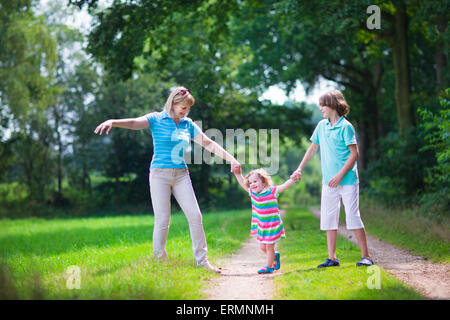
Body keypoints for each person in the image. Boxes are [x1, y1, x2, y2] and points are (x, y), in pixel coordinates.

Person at [94, 86, 240, 273]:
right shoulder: (156, 118)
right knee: (163, 219)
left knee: (195, 216)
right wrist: (113, 121)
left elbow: (208, 143)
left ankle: (202, 262)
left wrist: (232, 159)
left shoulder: (187, 124)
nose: (185, 111)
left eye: (188, 108)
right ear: (173, 102)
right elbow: (133, 123)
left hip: (181, 175)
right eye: (183, 107)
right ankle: (159, 262)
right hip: (159, 175)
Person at [291, 90, 373, 268]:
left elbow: (355, 154)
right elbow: (312, 149)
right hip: (328, 182)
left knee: (352, 216)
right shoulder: (322, 126)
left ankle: (366, 256)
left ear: (334, 105)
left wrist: (339, 175)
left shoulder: (346, 127)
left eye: (323, 105)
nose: (321, 108)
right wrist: (299, 168)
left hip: (348, 180)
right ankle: (332, 258)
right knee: (329, 218)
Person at [232, 166, 295, 274]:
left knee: (269, 247)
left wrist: (293, 179)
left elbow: (284, 186)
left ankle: (269, 267)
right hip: (262, 226)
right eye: (250, 183)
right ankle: (275, 256)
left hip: (272, 225)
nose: (252, 184)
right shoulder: (253, 194)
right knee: (262, 247)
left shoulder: (272, 191)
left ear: (264, 182)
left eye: (255, 181)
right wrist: (238, 174)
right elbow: (243, 183)